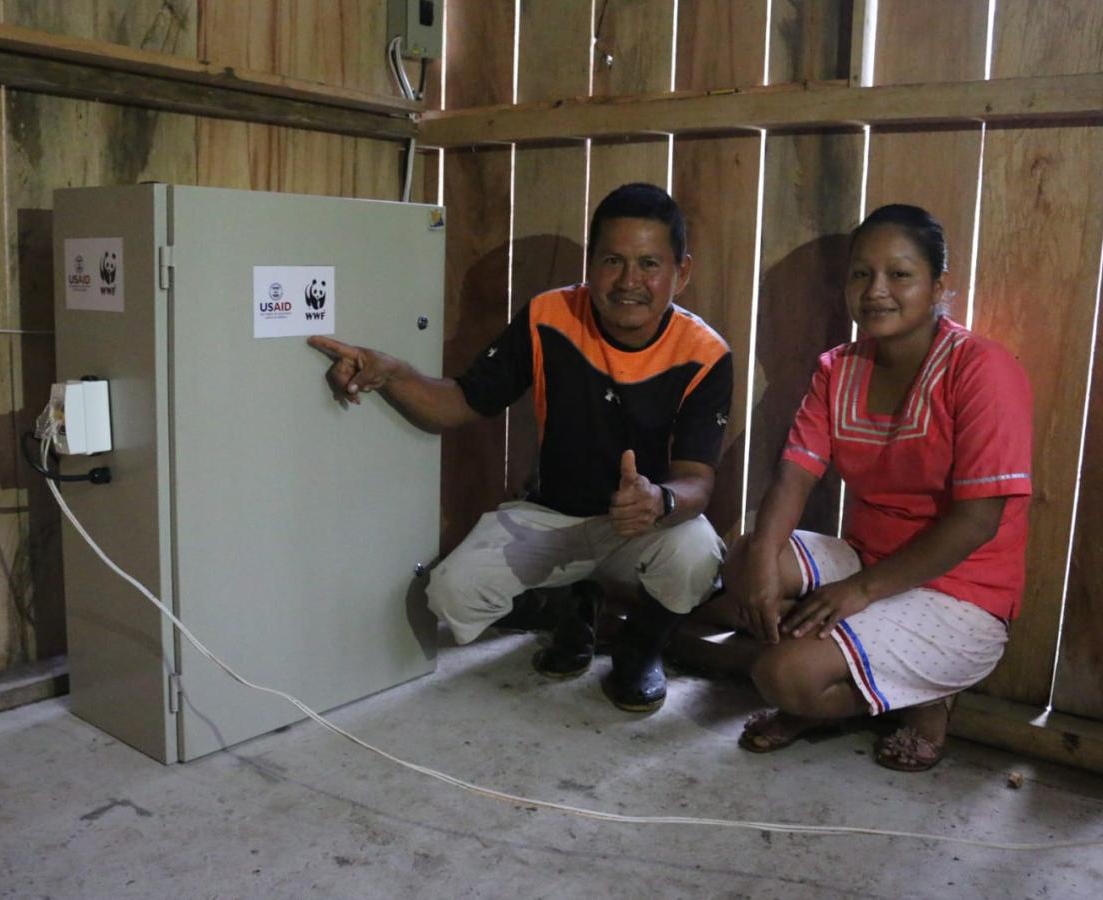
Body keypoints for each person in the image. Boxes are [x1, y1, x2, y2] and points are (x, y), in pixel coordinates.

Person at [308, 183, 733, 712]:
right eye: (612, 261)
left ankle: (640, 650)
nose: (629, 281)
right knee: (450, 594)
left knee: (697, 554)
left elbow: (697, 479)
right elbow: (458, 403)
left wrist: (658, 501)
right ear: (590, 263)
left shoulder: (705, 353)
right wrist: (391, 373)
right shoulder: (547, 317)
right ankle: (571, 610)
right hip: (552, 518)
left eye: (649, 263)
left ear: (681, 272)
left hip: (645, 526)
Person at [709, 203, 1032, 771]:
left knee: (779, 674)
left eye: (899, 274)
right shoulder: (840, 367)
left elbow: (978, 520)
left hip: (961, 593)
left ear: (937, 285)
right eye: (861, 274)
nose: (876, 290)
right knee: (744, 561)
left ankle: (921, 701)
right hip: (868, 561)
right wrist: (762, 555)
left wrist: (857, 594)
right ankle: (841, 677)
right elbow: (794, 475)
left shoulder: (982, 369)